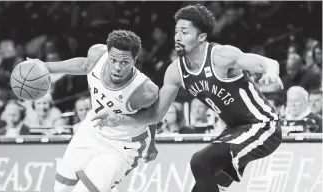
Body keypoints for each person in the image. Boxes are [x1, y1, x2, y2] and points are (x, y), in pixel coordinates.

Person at [92, 5, 284, 192]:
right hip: (234, 131)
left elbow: (267, 62)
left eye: (185, 32)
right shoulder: (175, 72)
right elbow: (155, 115)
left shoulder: (221, 56)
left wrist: (272, 72)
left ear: (201, 37)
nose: (177, 37)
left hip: (263, 126)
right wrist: (120, 118)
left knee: (200, 161)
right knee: (201, 187)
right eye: (176, 31)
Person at [28, 30, 159, 192]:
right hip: (92, 129)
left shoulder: (145, 91)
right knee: (61, 188)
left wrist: (152, 143)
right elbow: (84, 65)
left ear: (134, 60)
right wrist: (45, 66)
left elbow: (153, 116)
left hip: (121, 145)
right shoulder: (97, 54)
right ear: (108, 54)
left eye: (124, 62)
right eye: (113, 60)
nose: (117, 67)